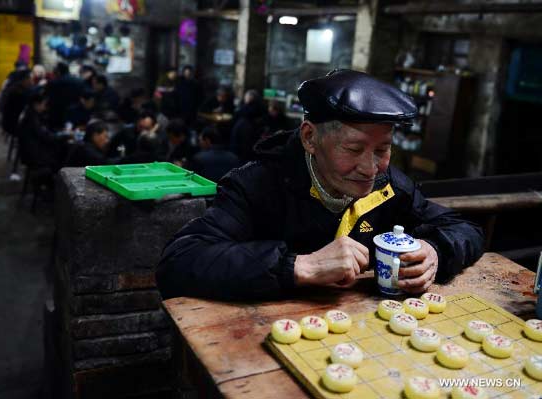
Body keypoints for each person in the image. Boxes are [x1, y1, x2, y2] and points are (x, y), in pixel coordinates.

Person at [156, 69, 485, 301]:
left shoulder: (389, 185)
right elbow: (179, 262)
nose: (371, 167)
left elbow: (464, 227)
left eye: (383, 150)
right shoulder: (257, 184)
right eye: (354, 149)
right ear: (310, 137)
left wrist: (436, 252)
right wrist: (299, 266)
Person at [229, 89, 267, 163]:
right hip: (247, 131)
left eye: (246, 96)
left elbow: (240, 113)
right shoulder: (254, 106)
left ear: (251, 98)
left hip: (246, 131)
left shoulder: (252, 107)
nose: (245, 98)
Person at [46, 62, 85, 129]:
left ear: (58, 71)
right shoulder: (80, 82)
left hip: (55, 116)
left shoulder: (53, 83)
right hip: (74, 116)